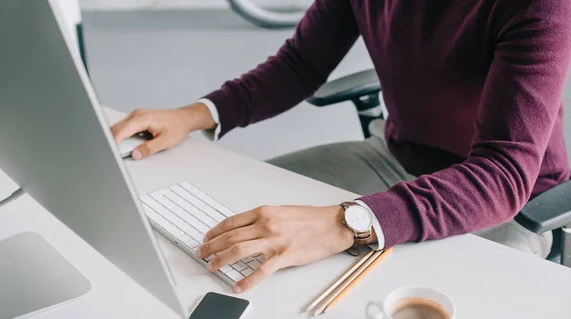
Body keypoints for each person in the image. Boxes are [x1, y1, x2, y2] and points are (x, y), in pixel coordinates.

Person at [112, 1, 571, 294]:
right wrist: (195, 114)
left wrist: (343, 221)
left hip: (509, 203)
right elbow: (300, 63)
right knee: (228, 233)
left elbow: (504, 172)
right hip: (395, 158)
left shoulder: (541, 7)